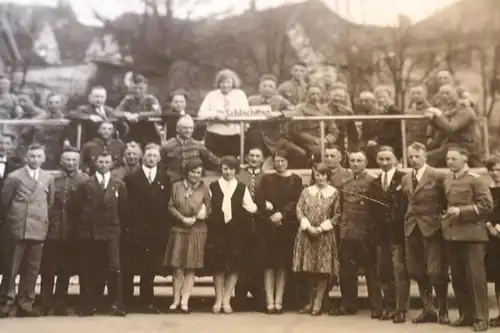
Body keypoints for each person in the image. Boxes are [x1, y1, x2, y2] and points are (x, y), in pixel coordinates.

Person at [0, 143, 55, 318]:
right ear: (26, 158)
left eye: (39, 156)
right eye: (32, 156)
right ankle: (5, 304)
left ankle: (26, 304)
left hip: (38, 228)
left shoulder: (48, 178)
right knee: (11, 268)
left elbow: (50, 203)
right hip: (17, 228)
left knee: (32, 269)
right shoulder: (14, 177)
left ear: (44, 158)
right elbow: (4, 203)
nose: (35, 160)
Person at [442, 147, 493, 332]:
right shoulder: (447, 179)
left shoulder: (475, 180)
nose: (450, 162)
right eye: (448, 159)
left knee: (475, 278)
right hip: (453, 235)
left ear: (464, 159)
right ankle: (466, 315)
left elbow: (487, 206)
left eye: (454, 158)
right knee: (457, 277)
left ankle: (481, 318)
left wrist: (462, 212)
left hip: (473, 235)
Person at [73, 151, 128, 317]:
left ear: (112, 163)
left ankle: (116, 304)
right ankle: (87, 305)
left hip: (111, 231)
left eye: (107, 162)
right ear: (95, 163)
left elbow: (124, 210)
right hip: (90, 232)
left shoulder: (119, 184)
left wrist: (118, 229)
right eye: (100, 162)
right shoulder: (85, 184)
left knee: (114, 268)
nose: (103, 165)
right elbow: (76, 209)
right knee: (88, 268)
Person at [401, 142, 449, 324]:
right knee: (418, 270)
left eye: (417, 156)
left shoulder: (437, 175)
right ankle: (428, 309)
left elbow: (447, 201)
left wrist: (441, 220)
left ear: (425, 156)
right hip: (412, 228)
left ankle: (442, 310)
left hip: (432, 229)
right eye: (410, 156)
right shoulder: (406, 178)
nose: (413, 160)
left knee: (436, 271)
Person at [330, 151, 382, 317]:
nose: (355, 163)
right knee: (347, 270)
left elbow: (376, 210)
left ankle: (376, 305)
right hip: (347, 232)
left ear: (366, 162)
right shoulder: (344, 181)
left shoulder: (373, 181)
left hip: (366, 232)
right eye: (352, 160)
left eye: (359, 160)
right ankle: (348, 305)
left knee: (371, 271)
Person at [204, 156, 258, 314]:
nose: (228, 172)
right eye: (225, 168)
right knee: (218, 266)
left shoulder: (242, 187)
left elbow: (251, 207)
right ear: (221, 169)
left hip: (236, 232)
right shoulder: (213, 186)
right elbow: (208, 208)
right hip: (218, 230)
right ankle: (218, 298)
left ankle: (227, 299)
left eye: (231, 169)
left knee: (234, 266)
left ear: (236, 170)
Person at [122, 143, 171, 313]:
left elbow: (166, 205)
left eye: (154, 156)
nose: (151, 159)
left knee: (149, 268)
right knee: (130, 266)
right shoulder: (132, 177)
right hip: (135, 230)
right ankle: (127, 301)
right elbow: (126, 204)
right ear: (143, 157)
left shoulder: (164, 178)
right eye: (148, 156)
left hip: (155, 231)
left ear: (159, 158)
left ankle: (147, 301)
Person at [40, 147, 88, 316]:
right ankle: (45, 303)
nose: (71, 163)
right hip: (52, 230)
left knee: (65, 269)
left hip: (72, 231)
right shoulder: (52, 179)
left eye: (74, 160)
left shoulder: (84, 180)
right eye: (67, 159)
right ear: (61, 161)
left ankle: (60, 302)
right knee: (48, 268)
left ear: (79, 161)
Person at [164, 158, 211, 314]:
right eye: (192, 172)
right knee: (177, 267)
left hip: (196, 230)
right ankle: (175, 300)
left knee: (191, 267)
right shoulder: (176, 186)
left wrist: (203, 213)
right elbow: (171, 206)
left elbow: (209, 210)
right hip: (179, 228)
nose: (195, 175)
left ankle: (185, 301)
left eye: (198, 172)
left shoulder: (204, 189)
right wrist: (182, 219)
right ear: (187, 172)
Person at [368, 146, 409, 324]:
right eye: (381, 159)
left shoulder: (404, 178)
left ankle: (401, 309)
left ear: (395, 160)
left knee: (399, 271)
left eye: (388, 159)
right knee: (384, 270)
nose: (384, 162)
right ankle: (390, 306)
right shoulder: (374, 183)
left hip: (398, 233)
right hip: (381, 234)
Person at [294, 162, 339, 316]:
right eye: (317, 175)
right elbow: (299, 209)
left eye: (323, 174)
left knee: (322, 269)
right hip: (307, 233)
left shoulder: (334, 193)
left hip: (324, 235)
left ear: (328, 176)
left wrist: (321, 228)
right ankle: (310, 300)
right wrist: (307, 226)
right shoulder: (306, 192)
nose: (320, 178)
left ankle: (319, 300)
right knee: (308, 268)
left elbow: (337, 214)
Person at [260, 150, 302, 314]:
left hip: (287, 225)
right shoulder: (267, 178)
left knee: (283, 265)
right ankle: (269, 301)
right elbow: (261, 199)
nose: (279, 164)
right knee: (269, 265)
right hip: (269, 226)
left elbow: (296, 201)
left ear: (288, 162)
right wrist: (271, 215)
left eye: (282, 161)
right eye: (277, 161)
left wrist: (282, 214)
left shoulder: (295, 179)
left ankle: (279, 301)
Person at [234, 147, 267, 310]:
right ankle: (239, 297)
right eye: (251, 155)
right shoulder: (240, 175)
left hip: (261, 222)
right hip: (242, 222)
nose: (254, 158)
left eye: (257, 156)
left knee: (258, 260)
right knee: (242, 259)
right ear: (246, 158)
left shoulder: (266, 176)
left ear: (262, 159)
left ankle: (259, 296)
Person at [425, 84, 482, 167]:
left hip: (467, 147)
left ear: (456, 94)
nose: (444, 96)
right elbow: (441, 130)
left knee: (428, 159)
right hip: (452, 146)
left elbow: (451, 128)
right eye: (441, 93)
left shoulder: (465, 110)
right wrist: (432, 120)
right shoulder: (447, 109)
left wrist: (438, 115)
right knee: (425, 157)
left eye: (447, 93)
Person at [197, 69, 250, 157]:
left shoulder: (240, 95)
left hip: (234, 136)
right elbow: (201, 113)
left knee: (232, 163)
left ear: (233, 83)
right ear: (218, 83)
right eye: (222, 82)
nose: (225, 85)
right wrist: (216, 115)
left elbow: (246, 113)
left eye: (228, 82)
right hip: (214, 135)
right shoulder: (212, 95)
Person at [246, 74, 294, 156]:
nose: (267, 89)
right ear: (259, 88)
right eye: (264, 86)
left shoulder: (280, 100)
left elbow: (294, 111)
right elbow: (240, 111)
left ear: (275, 89)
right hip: (255, 133)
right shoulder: (251, 100)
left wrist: (279, 113)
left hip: (273, 135)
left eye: (270, 86)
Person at [161, 116, 219, 183]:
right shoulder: (167, 146)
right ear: (177, 129)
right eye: (185, 128)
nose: (188, 131)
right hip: (173, 184)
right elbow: (160, 167)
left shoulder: (198, 145)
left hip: (195, 183)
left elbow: (214, 161)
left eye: (191, 128)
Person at [287, 84, 338, 160]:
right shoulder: (300, 108)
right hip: (306, 142)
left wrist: (327, 140)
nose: (315, 96)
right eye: (312, 94)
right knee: (317, 152)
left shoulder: (325, 109)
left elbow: (334, 130)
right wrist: (314, 140)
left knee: (336, 154)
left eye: (318, 94)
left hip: (324, 142)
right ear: (307, 94)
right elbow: (296, 130)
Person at [116, 74, 162, 147]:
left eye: (141, 88)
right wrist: (126, 114)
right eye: (135, 88)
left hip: (149, 130)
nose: (137, 91)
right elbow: (116, 112)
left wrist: (139, 115)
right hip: (133, 130)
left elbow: (157, 112)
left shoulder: (151, 99)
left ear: (145, 87)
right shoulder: (128, 99)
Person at [485, 156, 500, 327]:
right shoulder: (488, 191)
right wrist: (489, 225)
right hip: (494, 240)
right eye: (493, 170)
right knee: (498, 277)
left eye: (498, 170)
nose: (495, 173)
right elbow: (486, 212)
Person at [326, 86, 359, 153]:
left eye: (340, 96)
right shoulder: (323, 109)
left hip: (341, 142)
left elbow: (352, 133)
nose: (337, 98)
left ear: (344, 98)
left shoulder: (347, 112)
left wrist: (352, 149)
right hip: (325, 140)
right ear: (330, 96)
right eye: (335, 95)